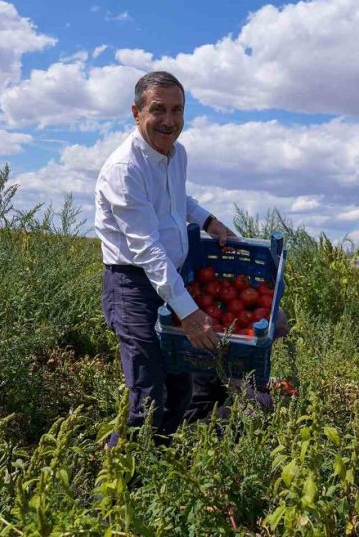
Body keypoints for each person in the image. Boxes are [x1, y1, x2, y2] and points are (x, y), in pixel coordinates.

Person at [95, 71, 235, 447]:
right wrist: (189, 313)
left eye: (178, 110)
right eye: (159, 109)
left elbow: (179, 200)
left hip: (171, 281)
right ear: (136, 112)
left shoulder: (176, 154)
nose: (170, 121)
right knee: (148, 395)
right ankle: (113, 487)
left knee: (180, 391)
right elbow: (145, 248)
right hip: (133, 286)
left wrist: (209, 221)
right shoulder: (126, 169)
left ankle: (154, 469)